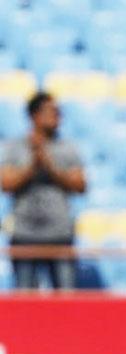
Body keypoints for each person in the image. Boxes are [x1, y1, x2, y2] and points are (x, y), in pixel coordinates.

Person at [0, 92, 86, 289]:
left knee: (65, 299)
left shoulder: (67, 148)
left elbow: (80, 185)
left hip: (60, 234)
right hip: (25, 234)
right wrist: (32, 166)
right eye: (52, 112)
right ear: (35, 116)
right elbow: (6, 184)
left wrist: (50, 167)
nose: (57, 116)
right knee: (25, 298)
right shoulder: (15, 147)